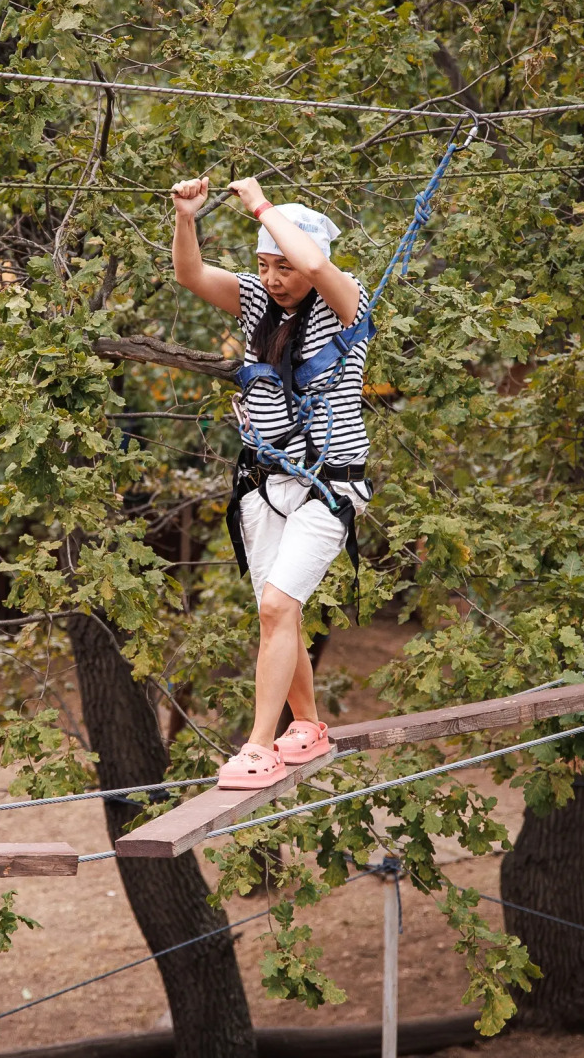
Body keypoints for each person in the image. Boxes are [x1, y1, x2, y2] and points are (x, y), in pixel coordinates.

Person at [169, 174, 372, 789]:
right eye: (263, 265)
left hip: (328, 484)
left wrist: (260, 204)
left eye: (281, 266)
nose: (271, 277)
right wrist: (186, 217)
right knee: (272, 613)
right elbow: (191, 275)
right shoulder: (258, 303)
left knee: (281, 606)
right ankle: (306, 724)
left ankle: (259, 745)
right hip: (264, 483)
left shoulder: (347, 302)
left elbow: (312, 257)